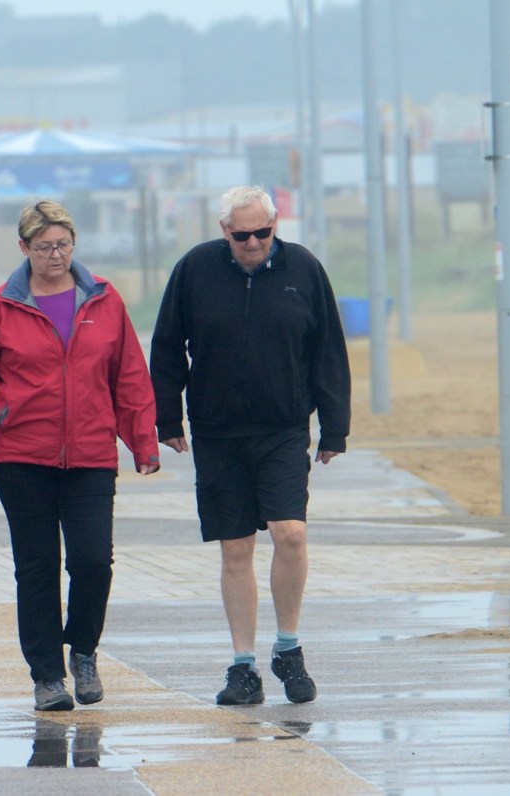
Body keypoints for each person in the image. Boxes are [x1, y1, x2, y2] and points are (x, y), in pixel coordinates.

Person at [0, 200, 160, 712]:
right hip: (21, 456)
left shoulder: (104, 301)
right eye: (43, 247)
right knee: (38, 566)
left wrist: (142, 440)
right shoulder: (0, 307)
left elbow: (128, 373)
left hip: (90, 452)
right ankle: (47, 677)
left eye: (63, 244)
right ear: (23, 249)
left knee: (93, 561)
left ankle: (82, 650)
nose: (55, 255)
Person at [150, 185, 350, 706]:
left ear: (275, 225)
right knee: (236, 549)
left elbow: (328, 348)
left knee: (290, 535)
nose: (254, 242)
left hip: (283, 428)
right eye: (243, 235)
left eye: (263, 232)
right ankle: (243, 666)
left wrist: (334, 427)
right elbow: (167, 346)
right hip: (217, 433)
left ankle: (288, 648)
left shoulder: (303, 270)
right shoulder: (194, 270)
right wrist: (165, 416)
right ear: (225, 233)